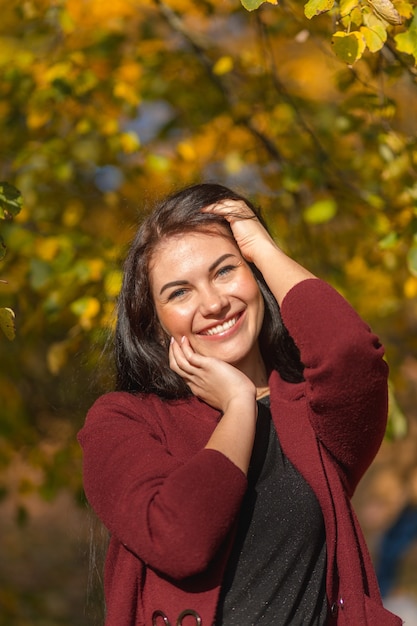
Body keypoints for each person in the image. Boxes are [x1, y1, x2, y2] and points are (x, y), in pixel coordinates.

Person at [78, 183, 402, 626]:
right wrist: (237, 406)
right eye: (179, 293)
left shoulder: (311, 415)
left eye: (225, 270)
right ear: (154, 327)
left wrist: (262, 248)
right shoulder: (124, 421)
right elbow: (179, 540)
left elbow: (350, 353)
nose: (213, 303)